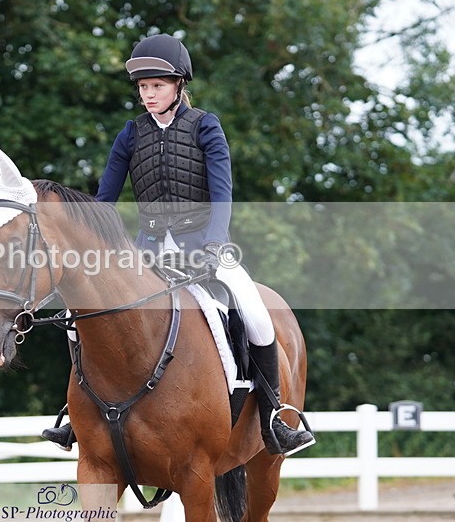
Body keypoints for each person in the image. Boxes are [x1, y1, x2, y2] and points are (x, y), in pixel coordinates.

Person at [42, 33, 314, 455]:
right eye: (143, 87)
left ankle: (273, 415)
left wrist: (213, 242)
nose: (148, 94)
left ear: (178, 85)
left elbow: (222, 192)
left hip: (203, 240)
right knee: (80, 314)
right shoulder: (130, 135)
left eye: (157, 86)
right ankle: (75, 414)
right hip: (146, 248)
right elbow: (103, 202)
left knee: (256, 313)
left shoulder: (206, 126)